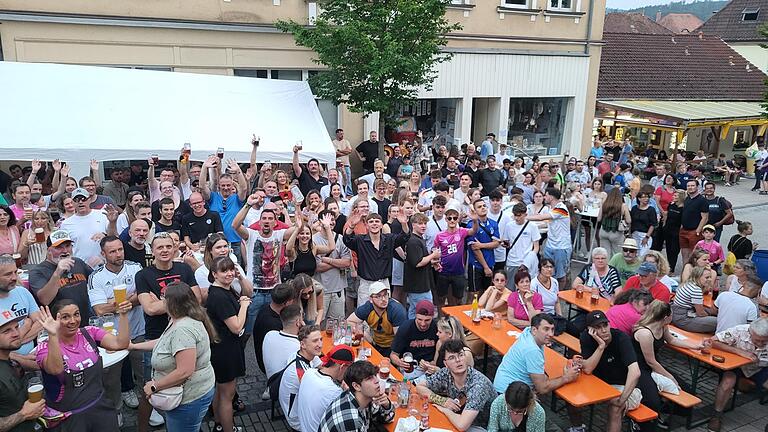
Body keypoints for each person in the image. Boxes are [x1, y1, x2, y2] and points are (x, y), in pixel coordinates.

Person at [130, 281, 217, 432]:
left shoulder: (183, 329)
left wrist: (154, 386)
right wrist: (134, 346)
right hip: (195, 392)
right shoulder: (181, 318)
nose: (160, 301)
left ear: (172, 303)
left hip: (189, 397)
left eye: (163, 298)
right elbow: (164, 342)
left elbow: (184, 371)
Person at [35, 298, 131, 431]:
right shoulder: (44, 346)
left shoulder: (88, 332)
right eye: (65, 317)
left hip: (100, 409)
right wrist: (52, 334)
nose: (73, 321)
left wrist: (123, 315)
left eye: (76, 314)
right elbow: (56, 369)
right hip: (70, 419)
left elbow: (120, 344)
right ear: (55, 320)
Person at [87, 236, 149, 422]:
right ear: (103, 254)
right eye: (112, 251)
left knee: (144, 374)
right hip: (110, 338)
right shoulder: (96, 277)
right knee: (111, 379)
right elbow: (99, 310)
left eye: (120, 249)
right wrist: (130, 299)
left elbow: (144, 296)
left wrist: (113, 303)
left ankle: (147, 409)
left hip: (138, 331)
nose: (118, 254)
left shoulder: (135, 267)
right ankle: (116, 411)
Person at [632, 300, 705, 429]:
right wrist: (670, 376)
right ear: (666, 317)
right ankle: (641, 424)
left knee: (687, 390)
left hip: (653, 365)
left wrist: (696, 346)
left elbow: (671, 340)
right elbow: (650, 361)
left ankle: (663, 411)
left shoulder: (662, 326)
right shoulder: (645, 333)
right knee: (652, 400)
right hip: (639, 368)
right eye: (672, 315)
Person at [204, 256, 249, 432]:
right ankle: (228, 428)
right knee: (227, 395)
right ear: (214, 274)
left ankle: (218, 423)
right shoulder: (219, 296)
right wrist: (244, 305)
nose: (229, 273)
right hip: (225, 350)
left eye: (231, 269)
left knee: (221, 390)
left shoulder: (223, 289)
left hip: (224, 348)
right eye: (224, 270)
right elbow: (236, 327)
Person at [579, 311, 642, 432]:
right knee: (572, 391)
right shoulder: (586, 337)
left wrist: (622, 399)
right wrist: (601, 346)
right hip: (602, 385)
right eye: (598, 327)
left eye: (605, 325)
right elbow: (587, 369)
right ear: (590, 330)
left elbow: (635, 372)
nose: (603, 330)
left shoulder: (621, 338)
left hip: (626, 387)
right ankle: (577, 426)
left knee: (615, 408)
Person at [416, 339, 498, 432]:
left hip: (481, 427)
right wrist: (442, 401)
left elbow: (462, 425)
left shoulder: (478, 384)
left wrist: (444, 409)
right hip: (458, 418)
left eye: (461, 355)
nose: (458, 360)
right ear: (445, 364)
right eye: (452, 358)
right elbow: (420, 387)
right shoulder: (445, 373)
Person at [707, 318, 768, 432]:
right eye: (757, 340)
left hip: (759, 368)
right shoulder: (740, 330)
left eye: (764, 341)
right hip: (737, 366)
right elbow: (713, 341)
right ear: (750, 332)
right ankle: (717, 415)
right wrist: (741, 352)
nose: (760, 344)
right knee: (727, 383)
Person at [494, 314, 579, 393]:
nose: (551, 334)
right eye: (546, 329)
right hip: (508, 394)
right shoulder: (532, 350)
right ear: (534, 330)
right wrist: (567, 377)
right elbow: (542, 388)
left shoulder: (528, 333)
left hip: (503, 384)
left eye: (552, 329)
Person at [343, 211, 410, 307]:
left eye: (377, 221)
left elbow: (404, 237)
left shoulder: (389, 239)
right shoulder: (360, 240)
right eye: (371, 221)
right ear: (366, 225)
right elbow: (347, 239)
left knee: (384, 314)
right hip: (366, 284)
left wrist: (404, 224)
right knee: (364, 316)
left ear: (382, 225)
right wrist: (352, 226)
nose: (374, 223)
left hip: (384, 283)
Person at [29, 230, 95, 324]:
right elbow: (45, 300)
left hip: (85, 322)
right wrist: (58, 272)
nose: (65, 251)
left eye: (68, 246)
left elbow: (96, 282)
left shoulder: (77, 262)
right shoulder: (37, 271)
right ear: (48, 250)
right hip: (60, 327)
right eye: (59, 247)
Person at [0, 306, 46, 432]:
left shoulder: (11, 361)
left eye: (16, 327)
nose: (16, 334)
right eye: (6, 331)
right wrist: (23, 415)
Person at [318, 360, 395, 432]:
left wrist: (387, 405)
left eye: (375, 375)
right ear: (356, 386)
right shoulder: (352, 420)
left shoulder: (363, 397)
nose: (377, 380)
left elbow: (386, 419)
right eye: (369, 378)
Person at [296, 345, 354, 432]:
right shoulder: (334, 391)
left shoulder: (309, 372)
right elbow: (350, 416)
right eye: (349, 369)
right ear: (342, 367)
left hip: (304, 426)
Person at [278, 324, 323, 431]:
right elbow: (315, 398)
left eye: (321, 339)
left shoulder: (300, 354)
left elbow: (321, 366)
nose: (320, 344)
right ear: (303, 344)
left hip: (294, 406)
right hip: (297, 419)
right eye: (315, 341)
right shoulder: (302, 372)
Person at [59, 188, 119, 266]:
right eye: (76, 200)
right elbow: (64, 249)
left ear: (89, 200)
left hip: (104, 264)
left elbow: (114, 238)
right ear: (73, 202)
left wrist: (112, 223)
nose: (80, 202)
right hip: (80, 266)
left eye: (83, 199)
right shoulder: (66, 224)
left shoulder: (103, 215)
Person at [346, 282, 406, 357]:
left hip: (392, 347)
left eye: (385, 295)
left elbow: (400, 339)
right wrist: (363, 334)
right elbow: (349, 321)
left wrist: (393, 356)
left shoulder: (396, 310)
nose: (383, 299)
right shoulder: (367, 308)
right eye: (378, 296)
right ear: (371, 299)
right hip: (375, 343)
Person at [434, 208, 478, 307]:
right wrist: (435, 262)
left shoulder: (461, 232)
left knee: (458, 298)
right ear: (446, 219)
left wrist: (475, 220)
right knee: (441, 298)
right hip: (443, 271)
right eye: (449, 218)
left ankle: (455, 319)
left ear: (458, 219)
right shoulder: (440, 235)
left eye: (455, 218)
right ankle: (441, 319)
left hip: (458, 271)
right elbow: (434, 250)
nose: (452, 220)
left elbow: (473, 231)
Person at [527, 188, 571, 287]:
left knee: (560, 275)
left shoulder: (561, 209)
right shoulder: (552, 208)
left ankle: (558, 297)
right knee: (546, 271)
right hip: (550, 245)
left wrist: (524, 217)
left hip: (561, 246)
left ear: (551, 197)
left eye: (545, 195)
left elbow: (541, 217)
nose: (544, 198)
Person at [313, 210, 351, 322]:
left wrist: (328, 260)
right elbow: (318, 267)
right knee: (318, 323)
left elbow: (347, 262)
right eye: (327, 219)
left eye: (333, 219)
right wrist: (337, 262)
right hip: (320, 290)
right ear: (320, 222)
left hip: (338, 290)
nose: (331, 222)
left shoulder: (340, 239)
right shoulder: (314, 240)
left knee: (337, 323)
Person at [390, 300, 438, 379]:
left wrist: (433, 363)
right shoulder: (406, 328)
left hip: (430, 367)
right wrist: (399, 362)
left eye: (427, 320)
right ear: (415, 315)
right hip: (410, 367)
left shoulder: (437, 327)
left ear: (433, 317)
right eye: (419, 319)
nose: (423, 324)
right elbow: (393, 355)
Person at [403, 213, 439, 317]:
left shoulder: (420, 239)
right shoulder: (413, 241)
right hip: (418, 286)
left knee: (414, 311)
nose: (423, 226)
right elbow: (417, 263)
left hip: (421, 284)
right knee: (423, 312)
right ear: (413, 225)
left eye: (425, 223)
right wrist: (433, 255)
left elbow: (420, 260)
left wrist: (432, 262)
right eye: (420, 223)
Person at [467, 199, 501, 293]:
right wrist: (485, 267)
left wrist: (481, 245)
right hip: (476, 264)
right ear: (475, 210)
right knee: (474, 294)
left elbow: (496, 243)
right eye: (479, 207)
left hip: (490, 262)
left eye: (484, 206)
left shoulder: (493, 223)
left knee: (488, 292)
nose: (482, 208)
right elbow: (475, 249)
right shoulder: (471, 225)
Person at [501, 203, 540, 284]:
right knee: (510, 289)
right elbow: (507, 242)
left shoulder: (532, 226)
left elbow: (536, 247)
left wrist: (527, 262)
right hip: (512, 261)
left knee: (526, 289)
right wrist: (504, 244)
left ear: (525, 214)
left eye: (519, 215)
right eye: (515, 215)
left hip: (526, 262)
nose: (516, 218)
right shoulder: (509, 226)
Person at [672, 266, 718, 333]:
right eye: (707, 277)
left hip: (679, 313)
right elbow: (701, 313)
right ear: (697, 277)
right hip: (683, 318)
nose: (710, 279)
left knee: (712, 312)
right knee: (719, 322)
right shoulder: (696, 289)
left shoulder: (689, 283)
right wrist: (709, 317)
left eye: (710, 277)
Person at [679, 179, 709, 266]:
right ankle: (685, 272)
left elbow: (705, 217)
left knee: (694, 255)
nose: (690, 188)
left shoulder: (702, 200)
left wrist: (698, 231)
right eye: (688, 186)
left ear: (697, 187)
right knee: (684, 254)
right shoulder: (687, 199)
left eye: (692, 186)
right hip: (684, 230)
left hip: (694, 231)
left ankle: (693, 273)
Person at [629, 191, 656, 257]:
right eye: (644, 197)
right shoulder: (634, 208)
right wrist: (629, 234)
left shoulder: (651, 210)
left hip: (645, 234)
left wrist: (647, 237)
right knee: (634, 254)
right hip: (634, 233)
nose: (646, 199)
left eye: (647, 197)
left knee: (643, 255)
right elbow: (631, 221)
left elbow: (653, 224)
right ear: (639, 198)